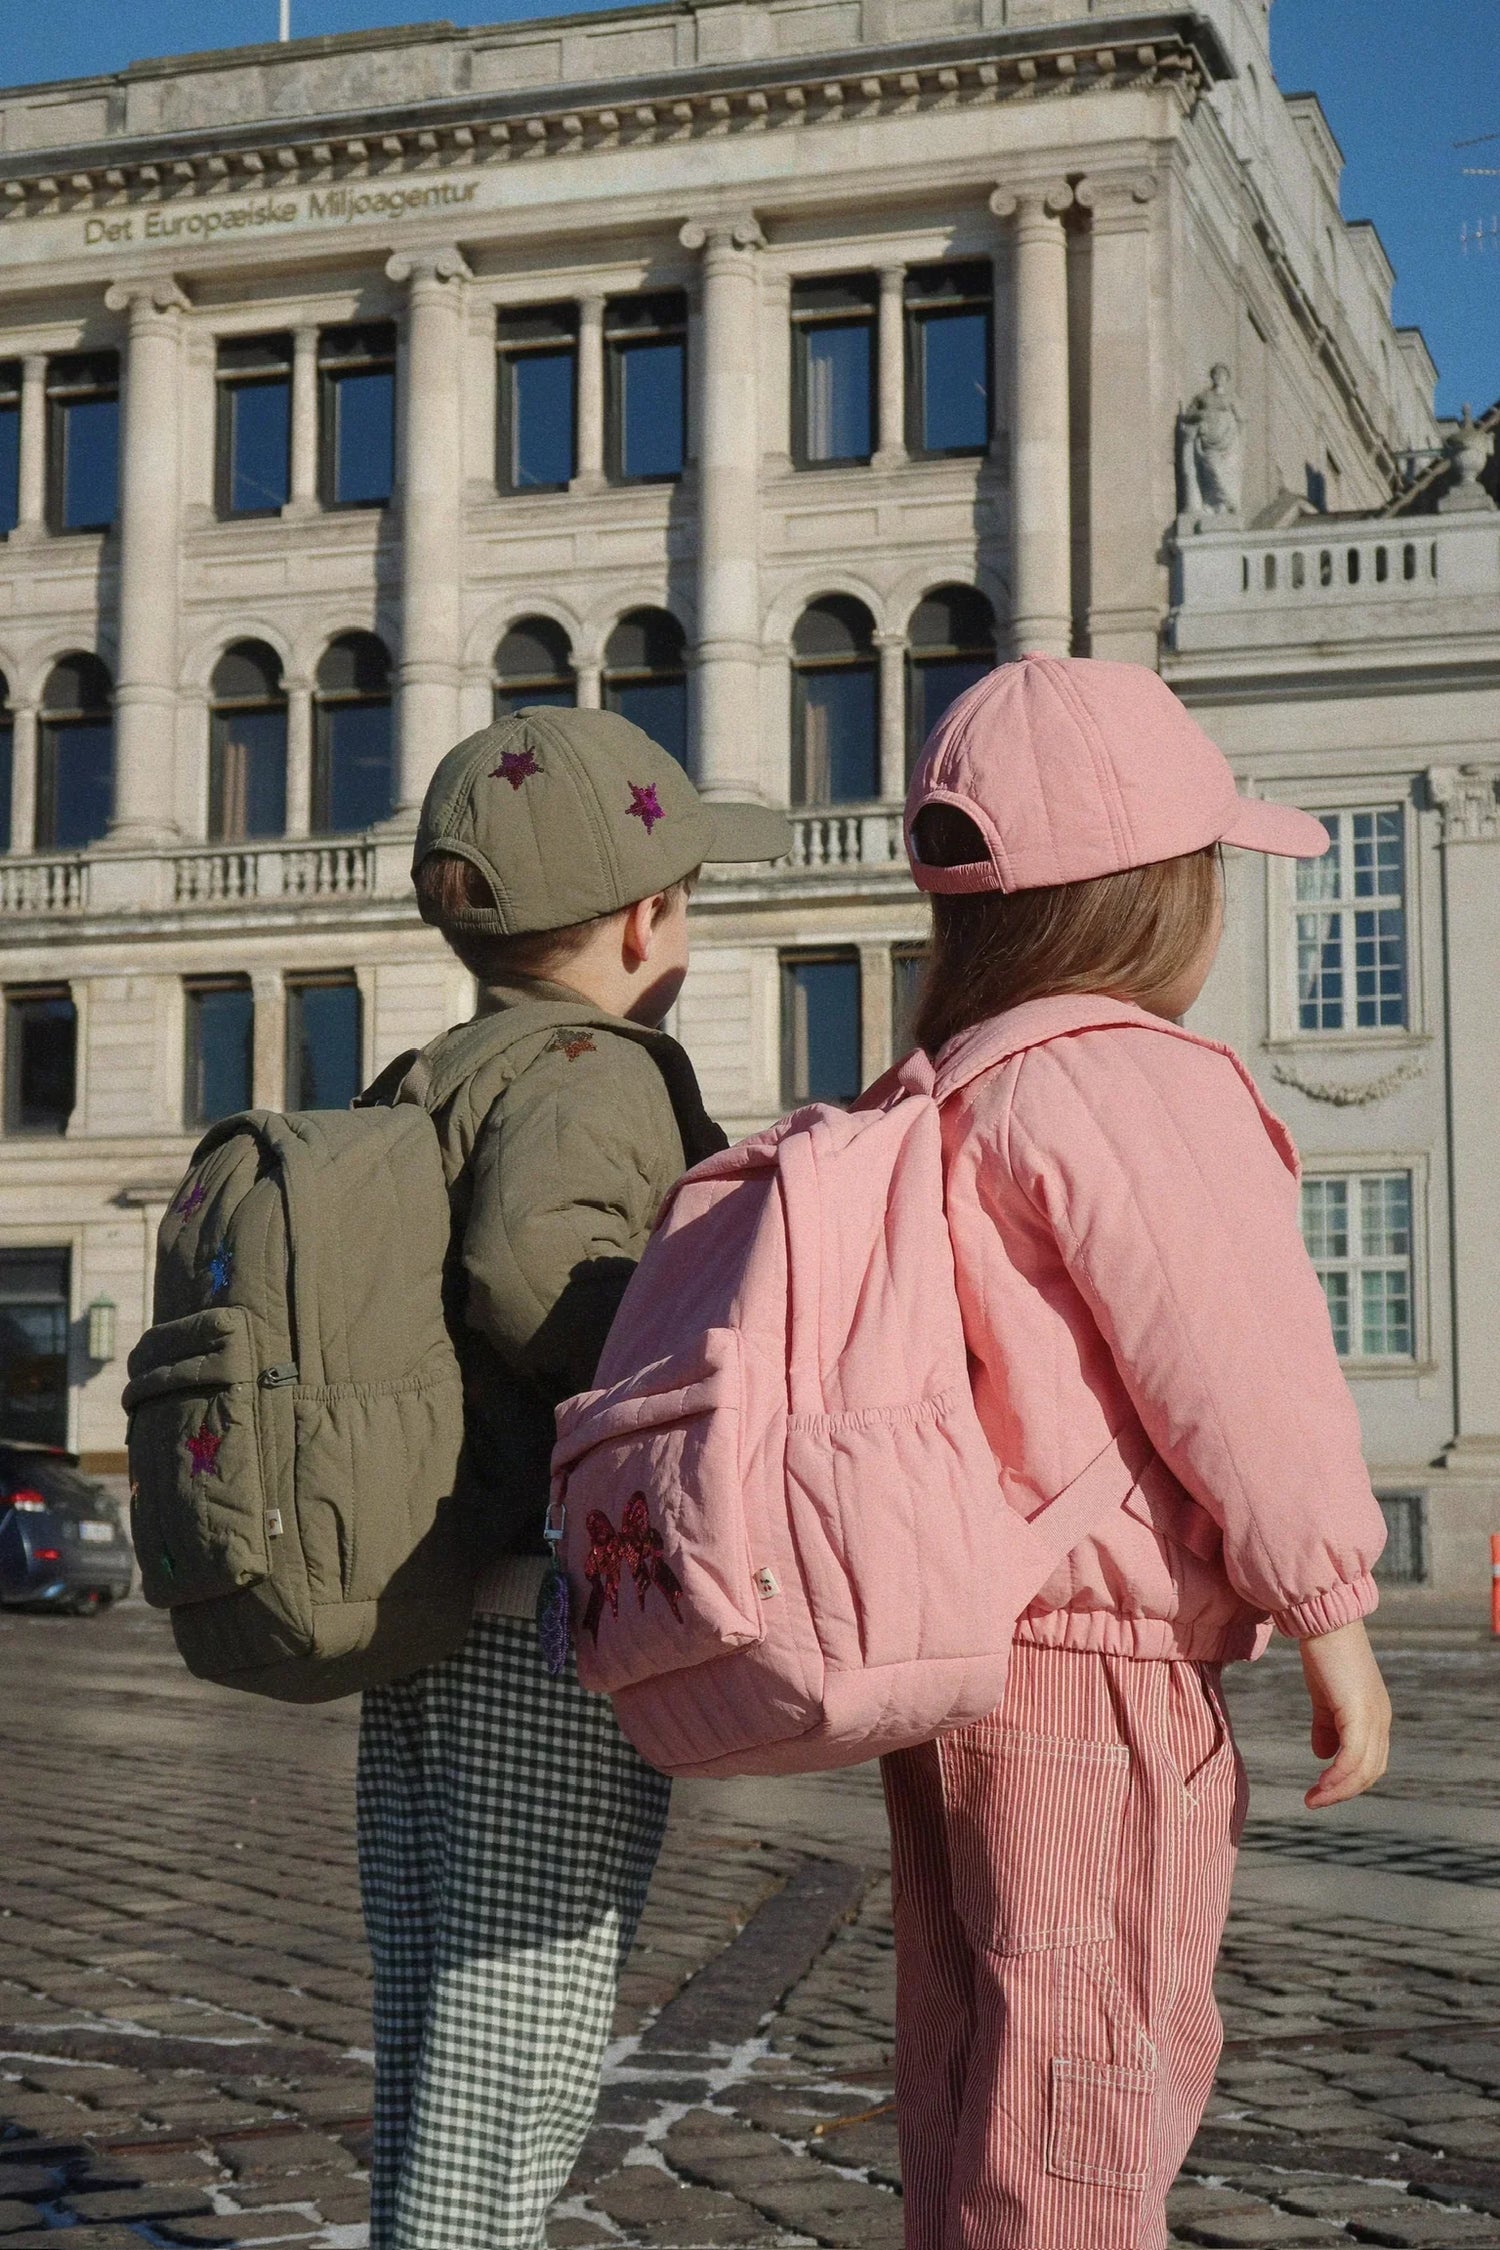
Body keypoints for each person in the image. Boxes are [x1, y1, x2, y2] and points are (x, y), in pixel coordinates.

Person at [883, 654, 1391, 2250]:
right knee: (1092, 2093)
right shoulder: (1131, 1077)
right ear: (1155, 896)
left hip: (957, 1662)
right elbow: (1238, 1367)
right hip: (1098, 1670)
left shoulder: (937, 1083)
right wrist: (1334, 1614)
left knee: (976, 2080)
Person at [354, 706, 788, 2250]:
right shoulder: (600, 1068)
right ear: (642, 920)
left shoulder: (441, 1063)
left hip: (428, 1607)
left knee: (438, 2004)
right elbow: (537, 1263)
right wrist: (677, 1365)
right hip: (542, 1622)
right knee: (518, 2024)